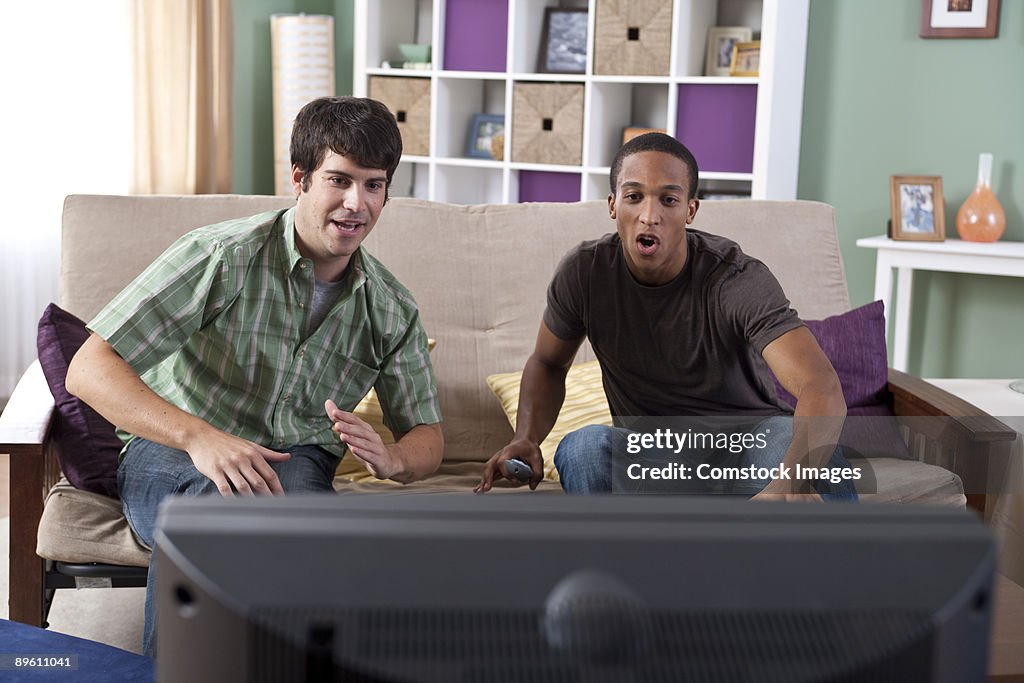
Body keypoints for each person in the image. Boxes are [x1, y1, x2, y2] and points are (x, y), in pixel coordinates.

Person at [65, 96, 444, 655]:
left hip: (296, 459)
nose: (355, 203)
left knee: (317, 540)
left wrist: (395, 460)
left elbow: (427, 437)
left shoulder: (392, 308)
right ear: (300, 178)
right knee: (212, 518)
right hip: (176, 446)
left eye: (373, 185)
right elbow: (88, 368)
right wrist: (201, 439)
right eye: (338, 180)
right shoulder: (220, 256)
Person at [476, 132, 854, 501]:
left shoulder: (735, 277)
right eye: (634, 197)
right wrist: (526, 437)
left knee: (805, 453)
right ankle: (637, 558)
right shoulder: (584, 273)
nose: (649, 215)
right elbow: (547, 362)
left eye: (668, 200)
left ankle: (831, 553)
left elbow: (820, 385)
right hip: (656, 456)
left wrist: (788, 483)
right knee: (583, 448)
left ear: (690, 210)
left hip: (748, 444)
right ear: (612, 205)